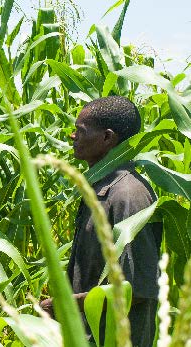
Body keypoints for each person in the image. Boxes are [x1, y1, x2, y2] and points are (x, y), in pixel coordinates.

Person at [40, 96, 162, 347]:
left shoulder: (127, 195)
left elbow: (136, 288)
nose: (72, 136)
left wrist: (69, 303)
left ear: (107, 138)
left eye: (80, 131)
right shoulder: (101, 189)